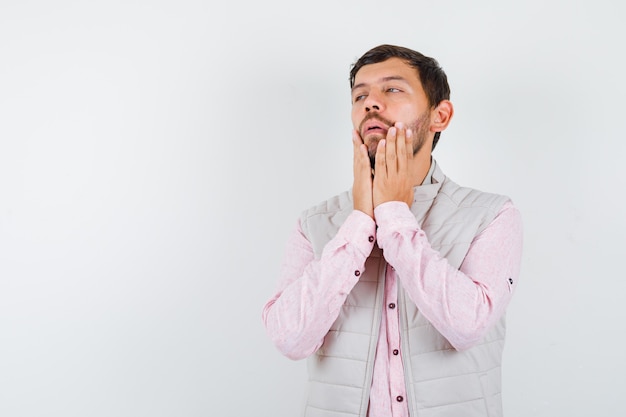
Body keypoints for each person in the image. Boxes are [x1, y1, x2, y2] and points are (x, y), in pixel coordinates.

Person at [262, 44, 523, 417]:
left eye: (392, 89)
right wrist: (359, 226)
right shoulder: (314, 223)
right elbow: (289, 338)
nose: (371, 103)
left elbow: (467, 326)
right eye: (360, 95)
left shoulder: (491, 215)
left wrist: (394, 216)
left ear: (440, 115)